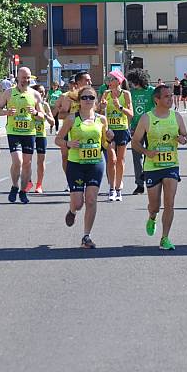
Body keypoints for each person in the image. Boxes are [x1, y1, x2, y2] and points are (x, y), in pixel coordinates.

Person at [132, 85, 187, 250]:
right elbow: (135, 142)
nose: (170, 99)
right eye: (166, 96)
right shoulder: (146, 118)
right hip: (152, 167)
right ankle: (152, 217)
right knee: (155, 205)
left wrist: (183, 139)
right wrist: (146, 152)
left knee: (169, 202)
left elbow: (186, 136)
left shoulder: (176, 117)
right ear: (156, 99)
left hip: (171, 165)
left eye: (171, 96)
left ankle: (165, 238)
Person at [55, 86, 113, 249]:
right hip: (76, 164)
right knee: (78, 203)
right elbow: (58, 139)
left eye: (91, 98)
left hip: (95, 163)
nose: (88, 101)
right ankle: (72, 211)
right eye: (85, 98)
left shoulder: (101, 120)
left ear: (96, 101)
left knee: (91, 200)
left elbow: (105, 144)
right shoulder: (72, 119)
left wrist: (109, 137)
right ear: (79, 101)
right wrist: (68, 143)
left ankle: (86, 236)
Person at [0, 66, 44, 204]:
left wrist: (35, 113)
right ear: (17, 78)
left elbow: (42, 116)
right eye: (23, 78)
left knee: (27, 164)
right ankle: (15, 186)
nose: (26, 80)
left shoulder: (35, 94)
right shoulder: (9, 93)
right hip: (14, 132)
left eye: (28, 78)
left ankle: (23, 191)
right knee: (18, 161)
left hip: (29, 133)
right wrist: (7, 112)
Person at [100, 71, 133, 201]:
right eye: (108, 79)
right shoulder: (106, 93)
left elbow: (131, 113)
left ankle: (119, 188)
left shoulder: (125, 94)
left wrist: (119, 107)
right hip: (110, 131)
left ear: (118, 81)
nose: (108, 81)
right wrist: (102, 107)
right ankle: (112, 188)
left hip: (122, 130)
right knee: (111, 159)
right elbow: (99, 111)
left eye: (111, 79)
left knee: (120, 160)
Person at [127, 69, 155, 195]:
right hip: (135, 128)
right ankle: (139, 184)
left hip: (151, 127)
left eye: (133, 81)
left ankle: (149, 176)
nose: (131, 84)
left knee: (150, 154)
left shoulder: (151, 91)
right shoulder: (131, 93)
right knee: (136, 156)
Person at [26, 84, 55, 193]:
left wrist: (44, 115)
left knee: (41, 161)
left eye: (43, 92)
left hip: (41, 135)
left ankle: (39, 185)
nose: (42, 94)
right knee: (27, 161)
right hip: (29, 134)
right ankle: (28, 182)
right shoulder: (28, 103)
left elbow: (52, 122)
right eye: (40, 91)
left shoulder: (45, 104)